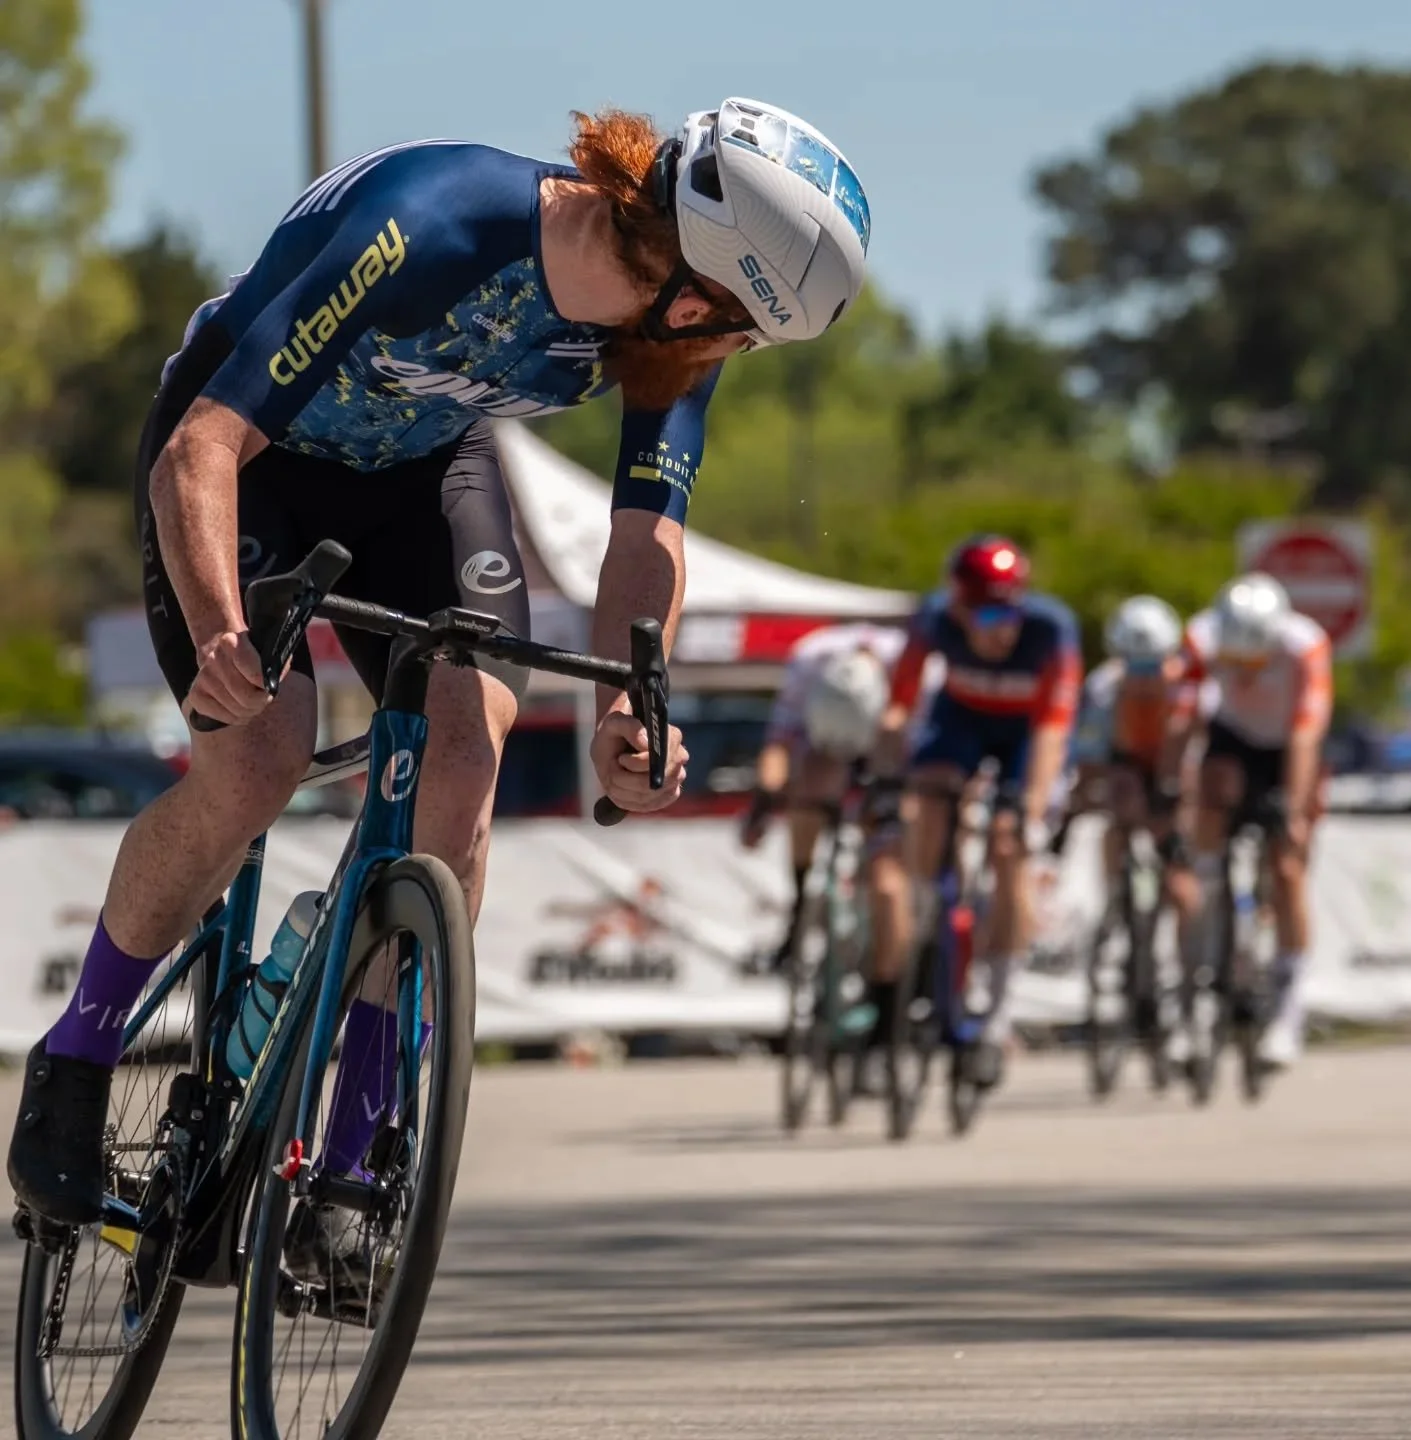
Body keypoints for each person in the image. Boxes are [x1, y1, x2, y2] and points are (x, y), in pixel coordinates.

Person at [8, 99, 870, 1229]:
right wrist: (222, 633)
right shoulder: (435, 222)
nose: (730, 355)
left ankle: (352, 1164)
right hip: (249, 461)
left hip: (423, 473)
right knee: (259, 760)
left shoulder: (672, 325)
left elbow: (644, 535)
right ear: (695, 292)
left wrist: (631, 706)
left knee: (467, 758)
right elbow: (203, 446)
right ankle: (77, 1057)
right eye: (742, 334)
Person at [870, 537, 1081, 1085]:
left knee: (1010, 846)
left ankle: (998, 1017)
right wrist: (888, 777)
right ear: (959, 609)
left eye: (1010, 613)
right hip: (960, 721)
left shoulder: (1052, 629)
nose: (1001, 629)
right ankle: (928, 914)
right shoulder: (934, 619)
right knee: (928, 799)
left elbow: (1053, 730)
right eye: (986, 616)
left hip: (1026, 737)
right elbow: (899, 706)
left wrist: (1031, 809)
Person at [1175, 573, 1331, 1069]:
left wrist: (1294, 812)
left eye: (1254, 663)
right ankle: (1209, 893)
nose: (1244, 673)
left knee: (1287, 869)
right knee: (1210, 796)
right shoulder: (1200, 638)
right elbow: (1185, 720)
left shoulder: (1305, 647)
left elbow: (1305, 735)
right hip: (1233, 736)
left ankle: (1289, 1011)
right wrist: (1175, 787)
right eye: (1235, 662)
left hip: (1286, 746)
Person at [1070, 595, 1205, 1037]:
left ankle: (1191, 983)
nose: (1145, 679)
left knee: (1181, 882)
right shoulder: (1103, 688)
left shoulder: (1187, 687)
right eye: (1136, 667)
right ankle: (1117, 897)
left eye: (1154, 667)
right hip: (1126, 765)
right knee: (1117, 815)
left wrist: (1176, 813)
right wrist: (1083, 800)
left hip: (1173, 767)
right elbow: (1090, 760)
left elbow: (1190, 764)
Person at [739, 622, 904, 973]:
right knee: (809, 784)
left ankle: (891, 962)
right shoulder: (809, 660)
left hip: (886, 742)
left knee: (895, 840)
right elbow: (779, 744)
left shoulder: (913, 666)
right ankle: (799, 905)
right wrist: (763, 805)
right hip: (819, 741)